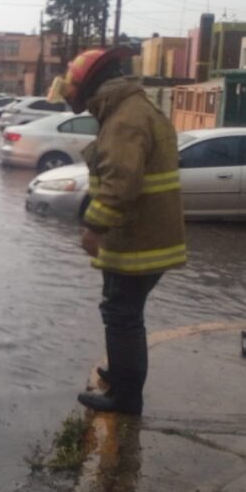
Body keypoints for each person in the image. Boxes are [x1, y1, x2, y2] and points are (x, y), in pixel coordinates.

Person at [48, 47, 186, 415]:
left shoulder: (125, 119)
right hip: (143, 236)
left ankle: (125, 397)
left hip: (138, 240)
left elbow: (120, 182)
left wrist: (94, 227)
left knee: (122, 314)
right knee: (124, 310)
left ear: (89, 85)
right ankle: (122, 373)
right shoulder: (134, 109)